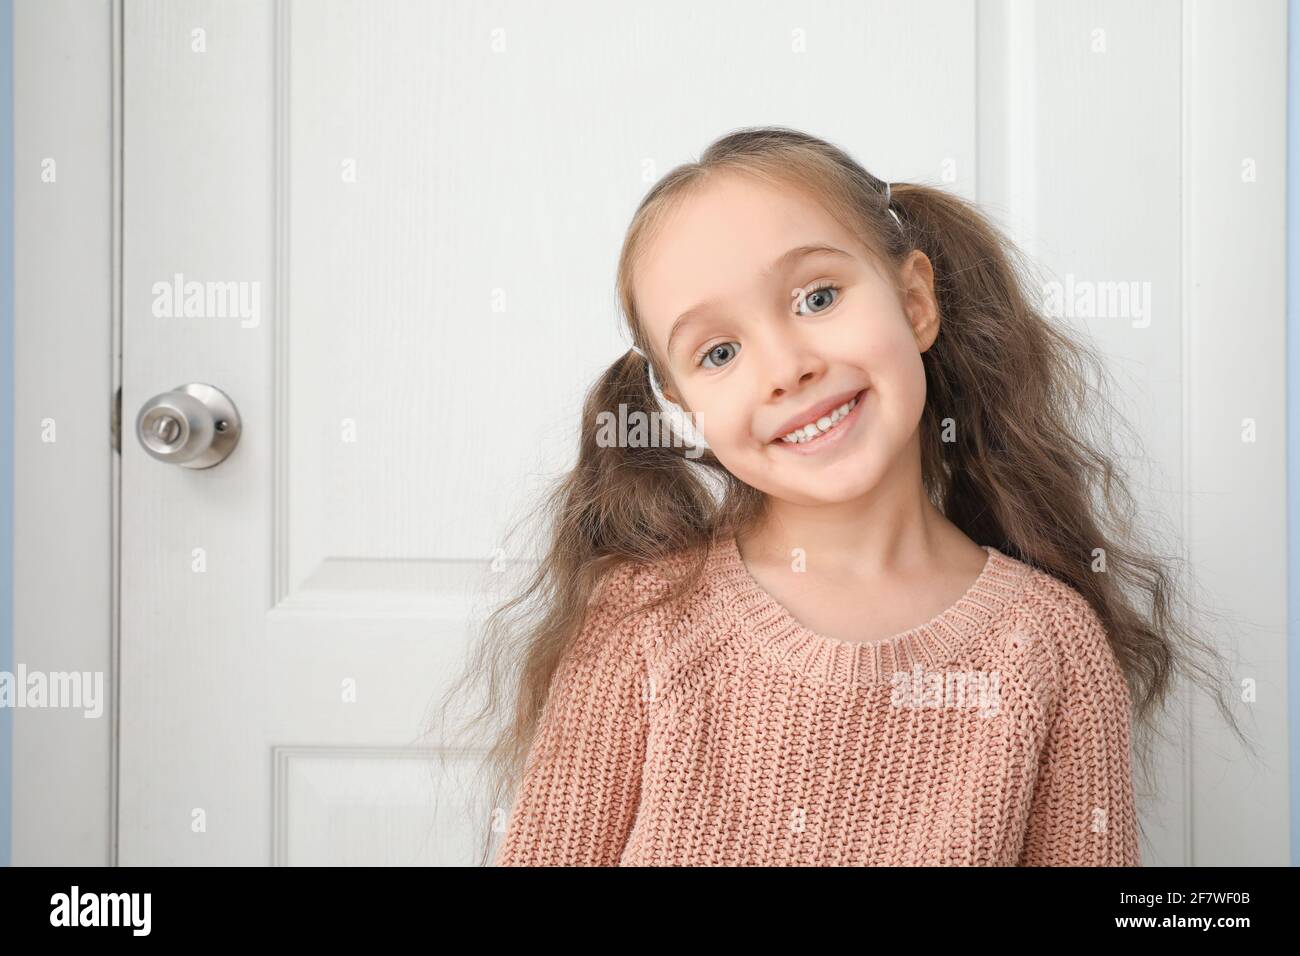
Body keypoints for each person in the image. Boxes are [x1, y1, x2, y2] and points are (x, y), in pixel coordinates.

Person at [435, 126, 1249, 866]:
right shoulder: (642, 624)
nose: (788, 366)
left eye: (817, 299)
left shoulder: (1051, 648)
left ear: (914, 302)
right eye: (720, 352)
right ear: (685, 412)